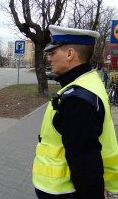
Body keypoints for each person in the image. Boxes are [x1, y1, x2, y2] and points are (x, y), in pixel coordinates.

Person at [32, 25, 118, 199]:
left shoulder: (77, 100)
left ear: (70, 54)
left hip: (62, 191)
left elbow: (85, 165)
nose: (49, 58)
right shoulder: (88, 82)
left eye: (53, 53)